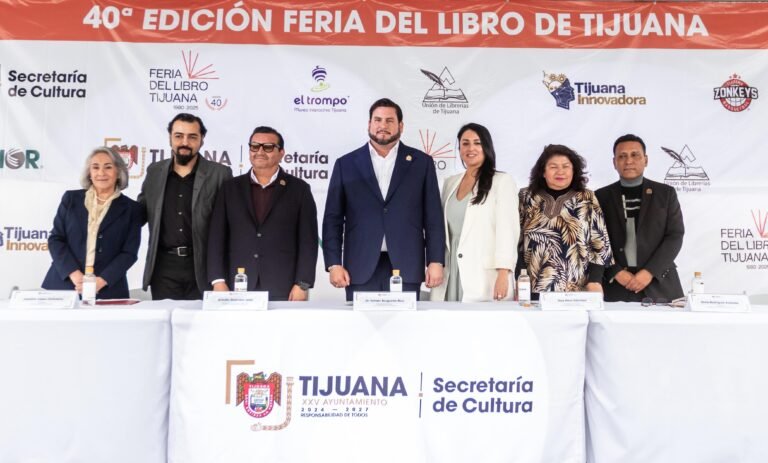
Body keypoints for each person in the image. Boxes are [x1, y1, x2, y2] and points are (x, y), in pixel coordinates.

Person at [322, 98, 445, 300]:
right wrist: (334, 264)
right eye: (377, 120)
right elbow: (332, 219)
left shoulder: (422, 163)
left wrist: (436, 261)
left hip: (407, 265)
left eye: (389, 120)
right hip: (359, 267)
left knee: (406, 321)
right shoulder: (346, 164)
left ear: (401, 126)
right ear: (369, 124)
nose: (383, 126)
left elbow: (433, 218)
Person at [207, 126, 318, 301]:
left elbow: (308, 242)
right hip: (237, 284)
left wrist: (302, 284)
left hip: (284, 287)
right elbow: (216, 237)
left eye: (268, 147)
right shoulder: (230, 188)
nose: (259, 152)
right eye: (254, 146)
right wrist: (218, 280)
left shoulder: (299, 189)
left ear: (281, 153)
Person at [138, 113, 232, 300]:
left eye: (192, 137)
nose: (185, 142)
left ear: (202, 139)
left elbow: (230, 226)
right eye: (179, 136)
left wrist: (220, 276)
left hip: (204, 268)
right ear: (170, 138)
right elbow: (140, 212)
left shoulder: (220, 174)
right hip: (163, 268)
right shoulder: (154, 171)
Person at [430, 123, 519, 302]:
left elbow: (507, 231)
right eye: (465, 143)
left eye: (477, 143)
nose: (471, 148)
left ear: (487, 147)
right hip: (450, 271)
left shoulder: (502, 181)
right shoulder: (450, 183)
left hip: (483, 276)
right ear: (459, 148)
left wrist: (504, 274)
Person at [42, 147, 143, 299]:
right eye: (95, 167)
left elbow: (129, 253)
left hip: (108, 289)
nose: (101, 173)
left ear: (118, 172)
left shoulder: (132, 209)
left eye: (108, 167)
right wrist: (74, 274)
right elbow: (56, 239)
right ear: (89, 173)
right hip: (65, 285)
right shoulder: (70, 199)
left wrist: (100, 282)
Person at [595, 134, 685, 302]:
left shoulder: (665, 194)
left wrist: (650, 271)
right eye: (622, 156)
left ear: (646, 160)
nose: (629, 161)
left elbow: (675, 235)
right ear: (614, 162)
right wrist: (615, 271)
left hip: (660, 285)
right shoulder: (600, 196)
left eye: (635, 155)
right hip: (614, 286)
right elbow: (594, 240)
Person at [517, 144, 613, 297]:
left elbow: (600, 244)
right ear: (543, 172)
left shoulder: (587, 198)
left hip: (576, 290)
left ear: (574, 170)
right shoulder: (526, 197)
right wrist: (519, 278)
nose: (560, 171)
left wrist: (595, 280)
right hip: (532, 288)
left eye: (566, 166)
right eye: (553, 167)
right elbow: (516, 242)